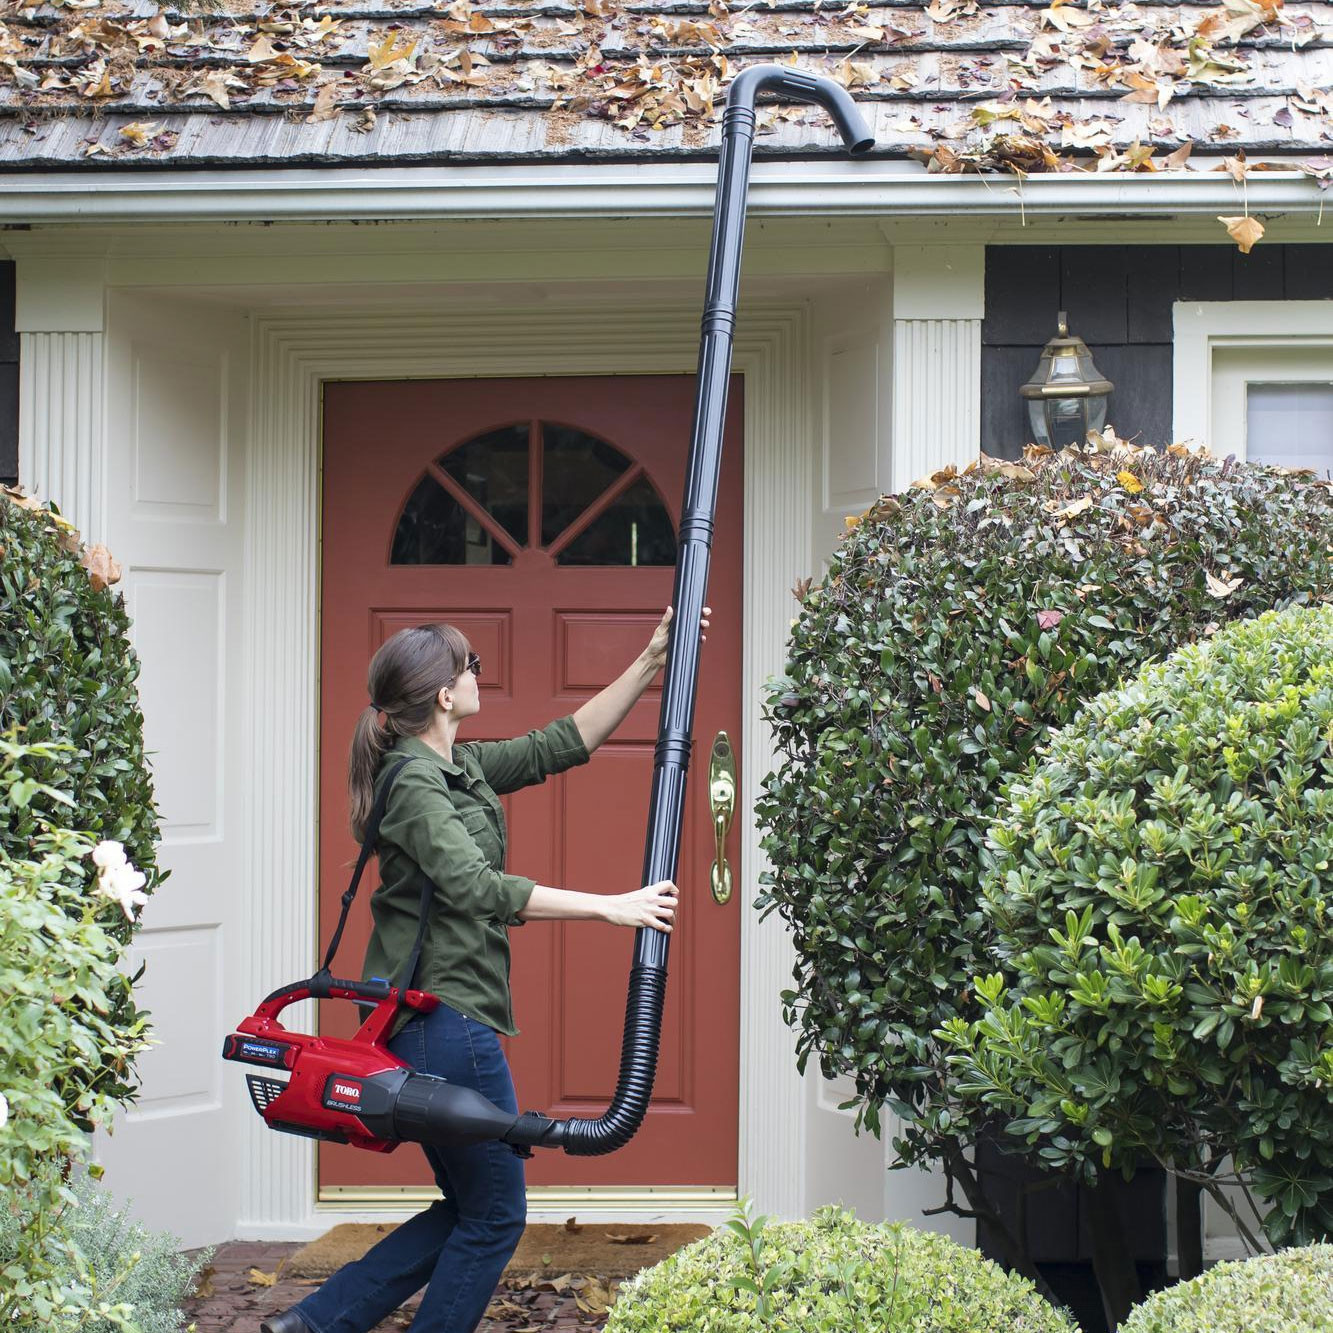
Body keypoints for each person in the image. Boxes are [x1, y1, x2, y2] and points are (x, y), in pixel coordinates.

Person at [262, 605, 708, 1333]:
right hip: (444, 1022)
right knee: (497, 1213)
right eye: (469, 666)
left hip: (444, 1020)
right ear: (443, 693)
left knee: (472, 1206)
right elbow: (474, 886)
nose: (477, 675)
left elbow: (561, 744)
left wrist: (652, 658)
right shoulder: (412, 783)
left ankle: (315, 1321)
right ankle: (321, 1321)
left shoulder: (455, 764)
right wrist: (611, 906)